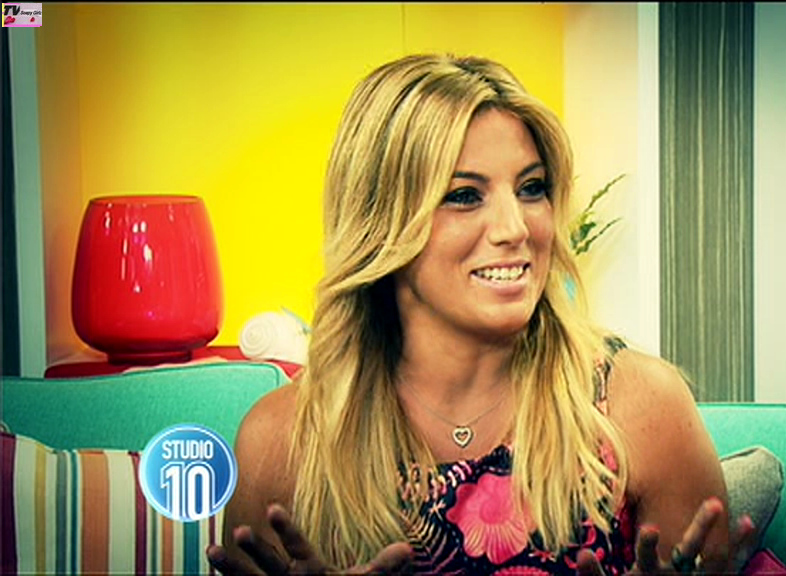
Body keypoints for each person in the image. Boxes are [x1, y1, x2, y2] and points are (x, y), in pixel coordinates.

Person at [205, 53, 756, 576]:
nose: (516, 228)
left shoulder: (638, 406)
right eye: (465, 196)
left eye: (532, 188)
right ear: (381, 223)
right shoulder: (282, 440)